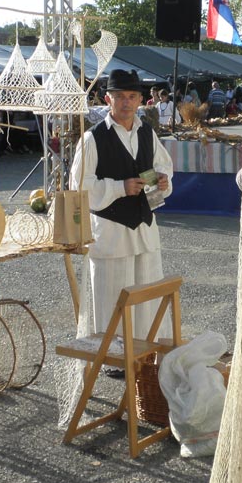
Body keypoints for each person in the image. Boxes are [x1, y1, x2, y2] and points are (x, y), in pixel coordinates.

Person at [70, 69, 173, 375]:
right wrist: (118, 187)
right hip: (112, 231)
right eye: (119, 97)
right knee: (112, 295)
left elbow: (163, 166)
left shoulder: (147, 133)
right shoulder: (93, 138)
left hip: (143, 228)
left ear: (141, 100)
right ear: (108, 99)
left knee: (146, 295)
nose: (126, 103)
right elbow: (79, 187)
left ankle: (145, 352)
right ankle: (114, 359)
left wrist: (163, 180)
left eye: (131, 96)